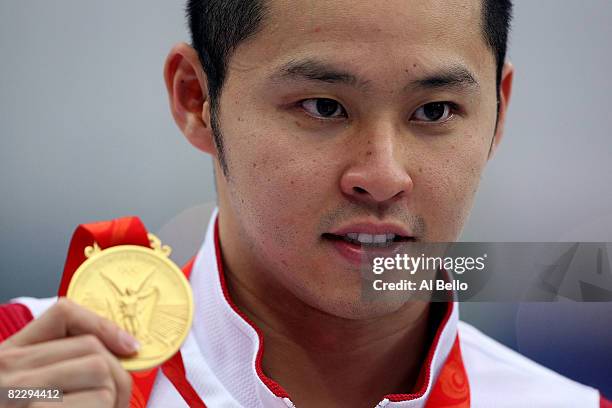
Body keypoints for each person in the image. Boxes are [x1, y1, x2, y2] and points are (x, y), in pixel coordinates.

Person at [0, 0, 609, 407]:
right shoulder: (24, 370)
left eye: (434, 111)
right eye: (322, 106)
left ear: (498, 112)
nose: (382, 176)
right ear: (195, 99)